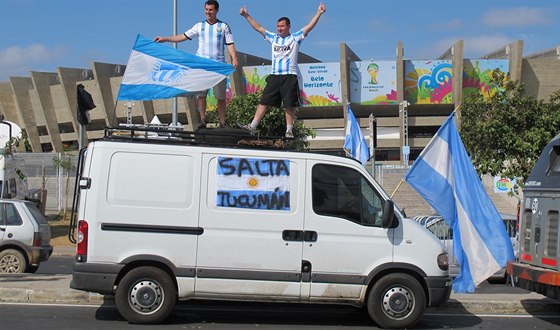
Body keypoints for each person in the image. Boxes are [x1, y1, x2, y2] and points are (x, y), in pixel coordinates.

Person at [239, 3, 326, 138]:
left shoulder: (295, 37)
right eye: (278, 26)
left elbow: (309, 27)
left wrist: (319, 13)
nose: (279, 28)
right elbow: (259, 28)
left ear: (288, 26)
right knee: (264, 102)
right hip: (275, 76)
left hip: (289, 75)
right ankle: (252, 127)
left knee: (289, 104)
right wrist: (246, 16)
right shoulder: (273, 38)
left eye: (282, 26)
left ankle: (289, 130)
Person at [155, 0, 239, 129]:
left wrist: (234, 58)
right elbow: (183, 36)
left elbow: (230, 44)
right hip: (202, 65)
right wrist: (165, 39)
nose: (208, 12)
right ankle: (203, 119)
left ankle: (222, 122)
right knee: (201, 95)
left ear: (216, 10)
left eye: (211, 10)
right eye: (206, 10)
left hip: (218, 66)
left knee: (220, 96)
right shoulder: (199, 26)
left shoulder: (224, 26)